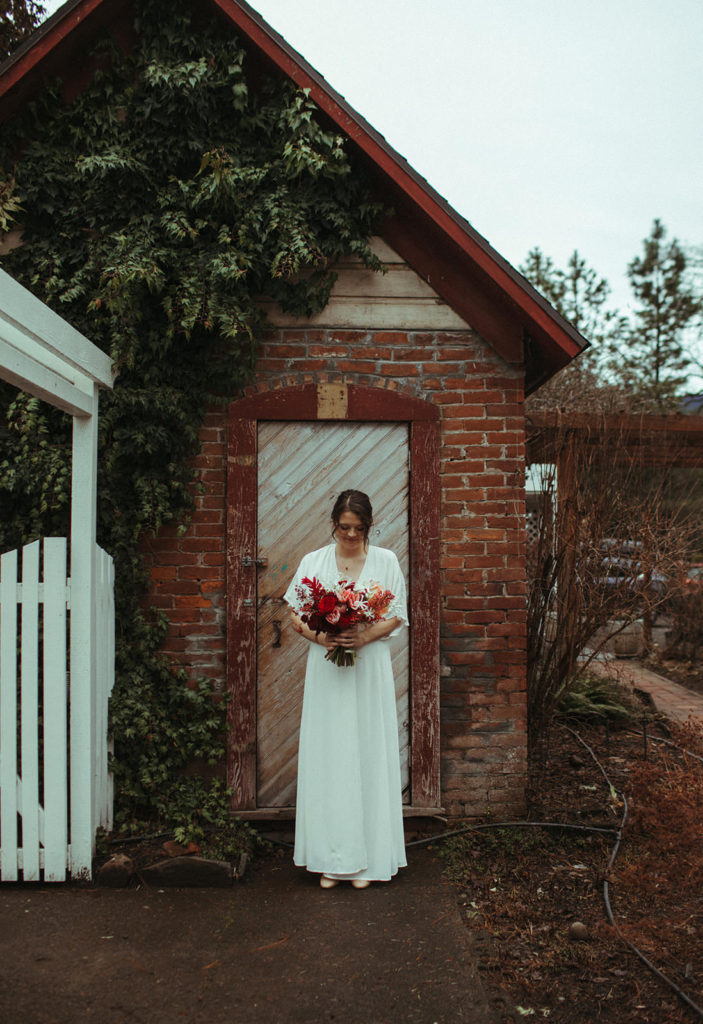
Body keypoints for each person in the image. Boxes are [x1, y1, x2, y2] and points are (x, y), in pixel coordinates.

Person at [284, 489, 408, 889]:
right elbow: (294, 614)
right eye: (344, 528)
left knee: (367, 754)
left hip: (368, 669)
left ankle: (368, 861)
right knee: (331, 756)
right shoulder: (314, 561)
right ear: (333, 524)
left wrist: (364, 635)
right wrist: (324, 640)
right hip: (329, 671)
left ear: (369, 527)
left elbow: (397, 616)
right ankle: (331, 859)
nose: (351, 535)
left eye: (358, 529)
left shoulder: (386, 561)